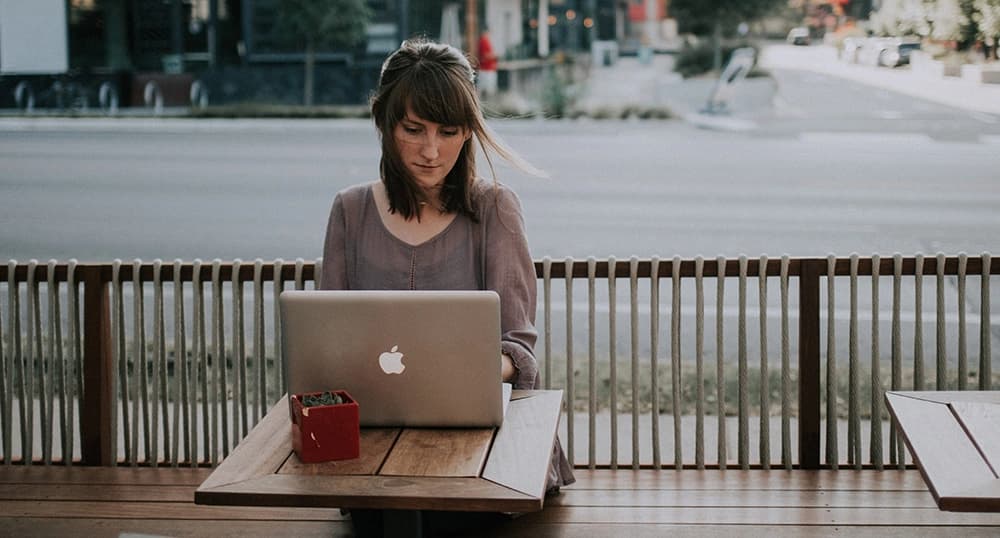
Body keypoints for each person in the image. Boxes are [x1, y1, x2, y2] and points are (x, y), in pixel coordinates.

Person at [320, 38, 574, 535]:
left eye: (449, 131)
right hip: (375, 444)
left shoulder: (495, 209)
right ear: (384, 124)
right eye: (412, 129)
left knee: (437, 514)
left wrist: (457, 371)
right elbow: (328, 341)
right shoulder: (350, 211)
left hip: (482, 446)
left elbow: (518, 349)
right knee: (391, 506)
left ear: (468, 132)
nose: (431, 151)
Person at [477, 26, 499, 99]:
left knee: (485, 89)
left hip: (487, 69)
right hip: (486, 69)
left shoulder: (485, 41)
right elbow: (485, 56)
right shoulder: (484, 41)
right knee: (487, 89)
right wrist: (495, 56)